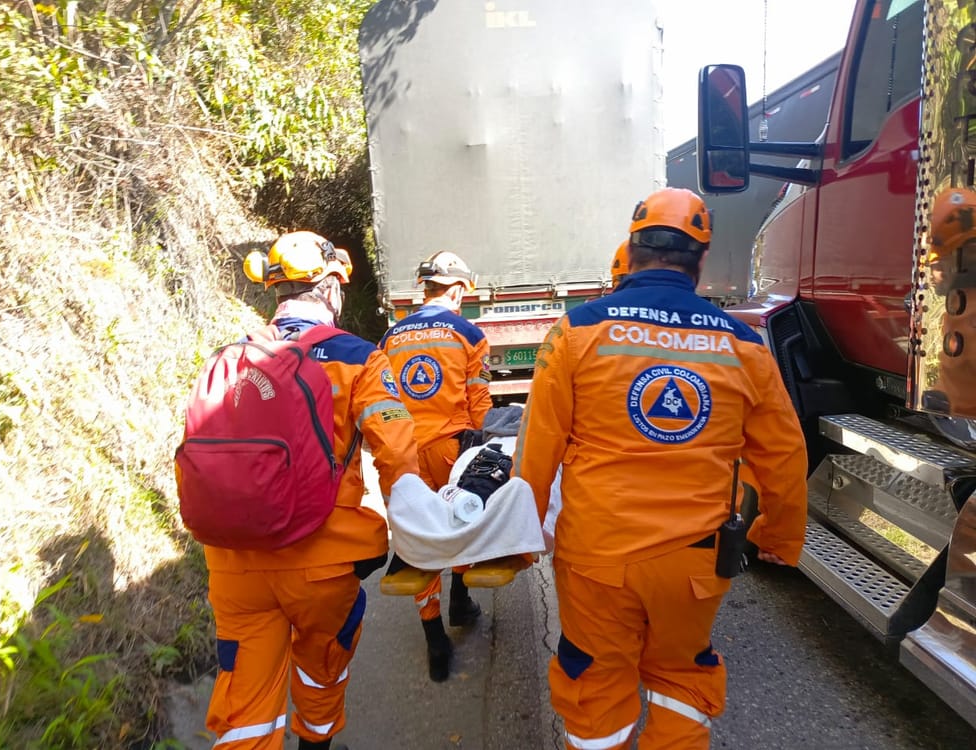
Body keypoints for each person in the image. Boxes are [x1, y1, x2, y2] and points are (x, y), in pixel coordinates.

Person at [513, 188, 808, 750]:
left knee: (596, 682)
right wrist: (780, 537)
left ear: (633, 249)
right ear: (700, 260)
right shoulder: (743, 344)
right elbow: (784, 454)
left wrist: (520, 539)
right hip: (696, 564)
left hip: (598, 555)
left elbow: (538, 448)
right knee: (680, 680)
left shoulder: (576, 331)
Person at [202, 230, 422, 750]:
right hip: (321, 563)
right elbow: (396, 454)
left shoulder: (231, 357)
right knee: (323, 664)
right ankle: (317, 743)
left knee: (246, 706)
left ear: (277, 292)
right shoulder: (358, 359)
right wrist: (416, 543)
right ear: (328, 287)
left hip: (235, 564)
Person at [379, 250, 492, 681]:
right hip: (451, 446)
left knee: (417, 536)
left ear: (425, 288)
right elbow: (478, 400)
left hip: (404, 449)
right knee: (459, 521)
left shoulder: (390, 337)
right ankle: (461, 601)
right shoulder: (467, 333)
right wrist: (484, 447)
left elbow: (383, 399)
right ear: (459, 289)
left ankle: (433, 635)